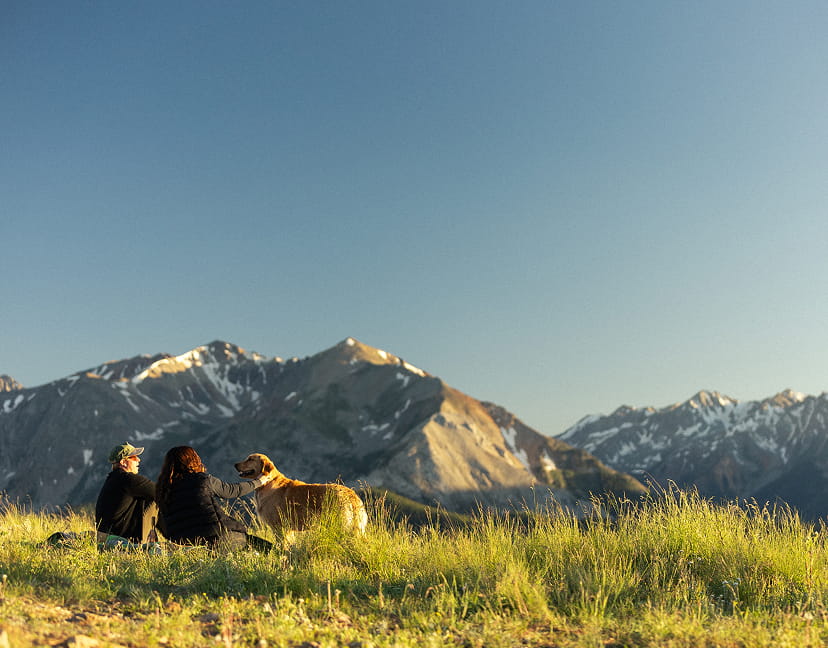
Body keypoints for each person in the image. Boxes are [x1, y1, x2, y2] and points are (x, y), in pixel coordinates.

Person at [155, 445, 271, 551]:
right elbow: (232, 490)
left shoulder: (162, 490)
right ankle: (282, 558)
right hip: (218, 537)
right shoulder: (203, 480)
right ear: (194, 460)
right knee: (261, 546)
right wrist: (258, 482)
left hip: (183, 544)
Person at [95, 442, 162, 544]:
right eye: (134, 457)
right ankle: (149, 543)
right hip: (121, 539)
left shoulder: (113, 479)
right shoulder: (128, 480)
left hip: (107, 536)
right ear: (123, 462)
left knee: (147, 496)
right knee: (154, 499)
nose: (138, 460)